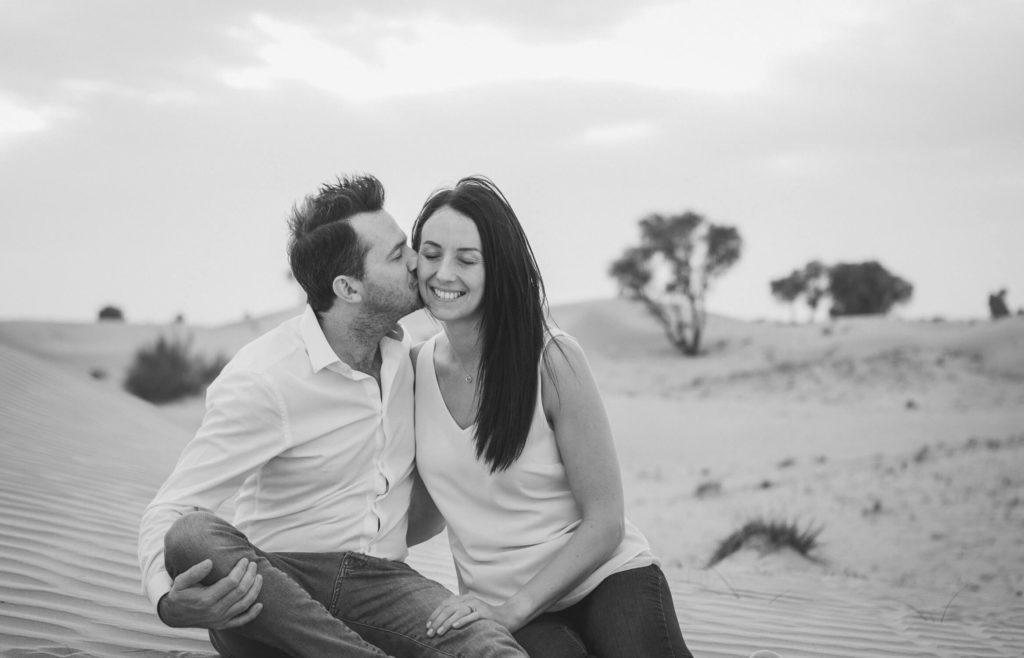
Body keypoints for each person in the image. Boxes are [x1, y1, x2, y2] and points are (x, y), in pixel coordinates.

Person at [137, 174, 526, 657]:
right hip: (280, 591)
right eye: (395, 254)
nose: (416, 261)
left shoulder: (413, 363)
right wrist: (167, 604)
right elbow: (171, 507)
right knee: (192, 535)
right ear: (348, 287)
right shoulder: (267, 376)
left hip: (385, 585)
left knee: (488, 644)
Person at [408, 176, 694, 657]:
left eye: (466, 259)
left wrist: (513, 610)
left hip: (603, 577)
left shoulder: (552, 360)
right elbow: (426, 516)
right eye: (431, 254)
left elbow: (605, 521)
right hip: (498, 603)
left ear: (496, 268)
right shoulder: (411, 373)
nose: (444, 273)